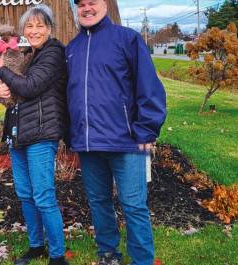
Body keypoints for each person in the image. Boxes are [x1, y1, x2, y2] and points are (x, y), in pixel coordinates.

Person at [66, 0, 167, 265]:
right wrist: (71, 134)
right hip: (89, 145)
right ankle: (108, 253)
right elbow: (69, 96)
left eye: (93, 3)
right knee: (99, 203)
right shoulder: (72, 48)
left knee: (134, 206)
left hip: (126, 142)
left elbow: (149, 86)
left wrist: (147, 129)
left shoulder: (127, 39)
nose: (87, 8)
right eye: (81, 4)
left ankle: (142, 260)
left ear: (105, 5)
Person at [0, 4, 69, 265]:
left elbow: (30, 86)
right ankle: (36, 246)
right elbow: (15, 94)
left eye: (40, 26)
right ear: (23, 30)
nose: (34, 30)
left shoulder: (53, 53)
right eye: (29, 26)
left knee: (44, 196)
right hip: (19, 134)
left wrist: (1, 68)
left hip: (41, 134)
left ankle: (57, 255)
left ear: (49, 29)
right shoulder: (28, 55)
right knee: (26, 194)